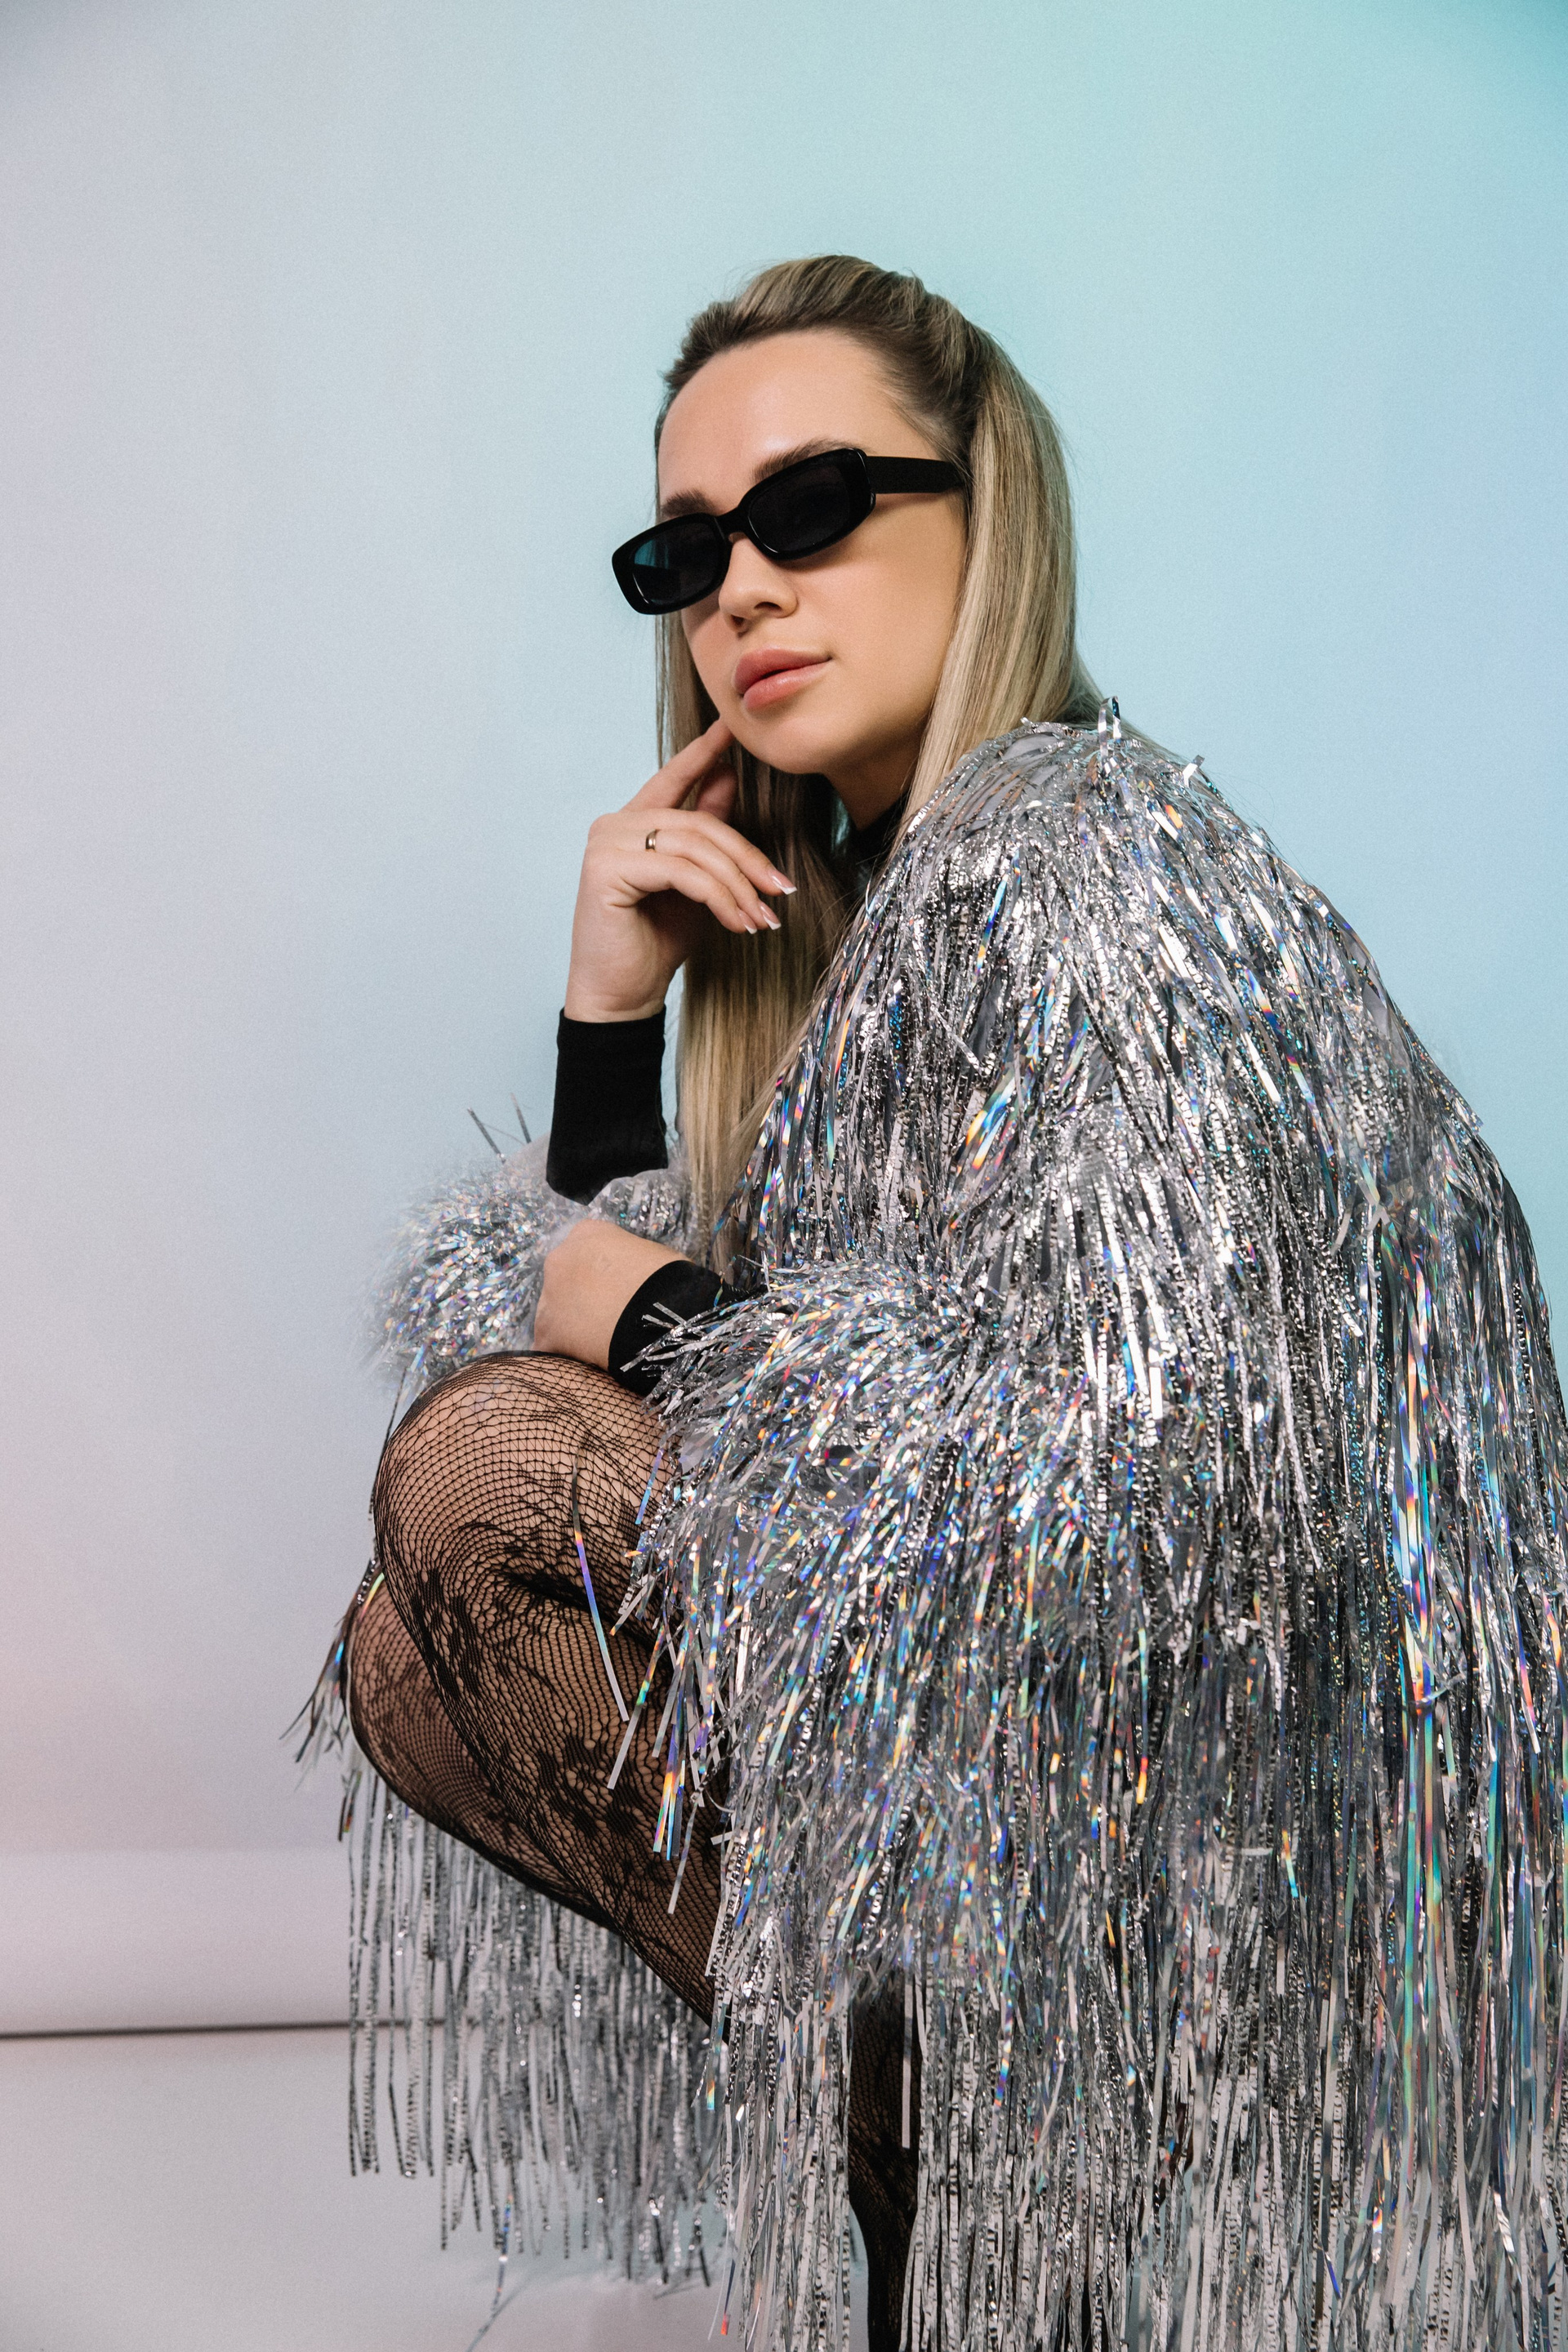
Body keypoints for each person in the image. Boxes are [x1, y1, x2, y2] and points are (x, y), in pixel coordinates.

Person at [316, 256, 1568, 2351]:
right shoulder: (892, 904)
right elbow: (629, 1346)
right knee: (410, 1661)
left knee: (484, 1473)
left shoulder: (1069, 849)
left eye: (811, 508)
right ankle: (921, 2162)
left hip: (1230, 1806)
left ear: (984, 510)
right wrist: (610, 1018)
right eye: (684, 553)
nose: (742, 589)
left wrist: (667, 1321)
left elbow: (1134, 1451)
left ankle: (966, 2163)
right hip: (1016, 1761)